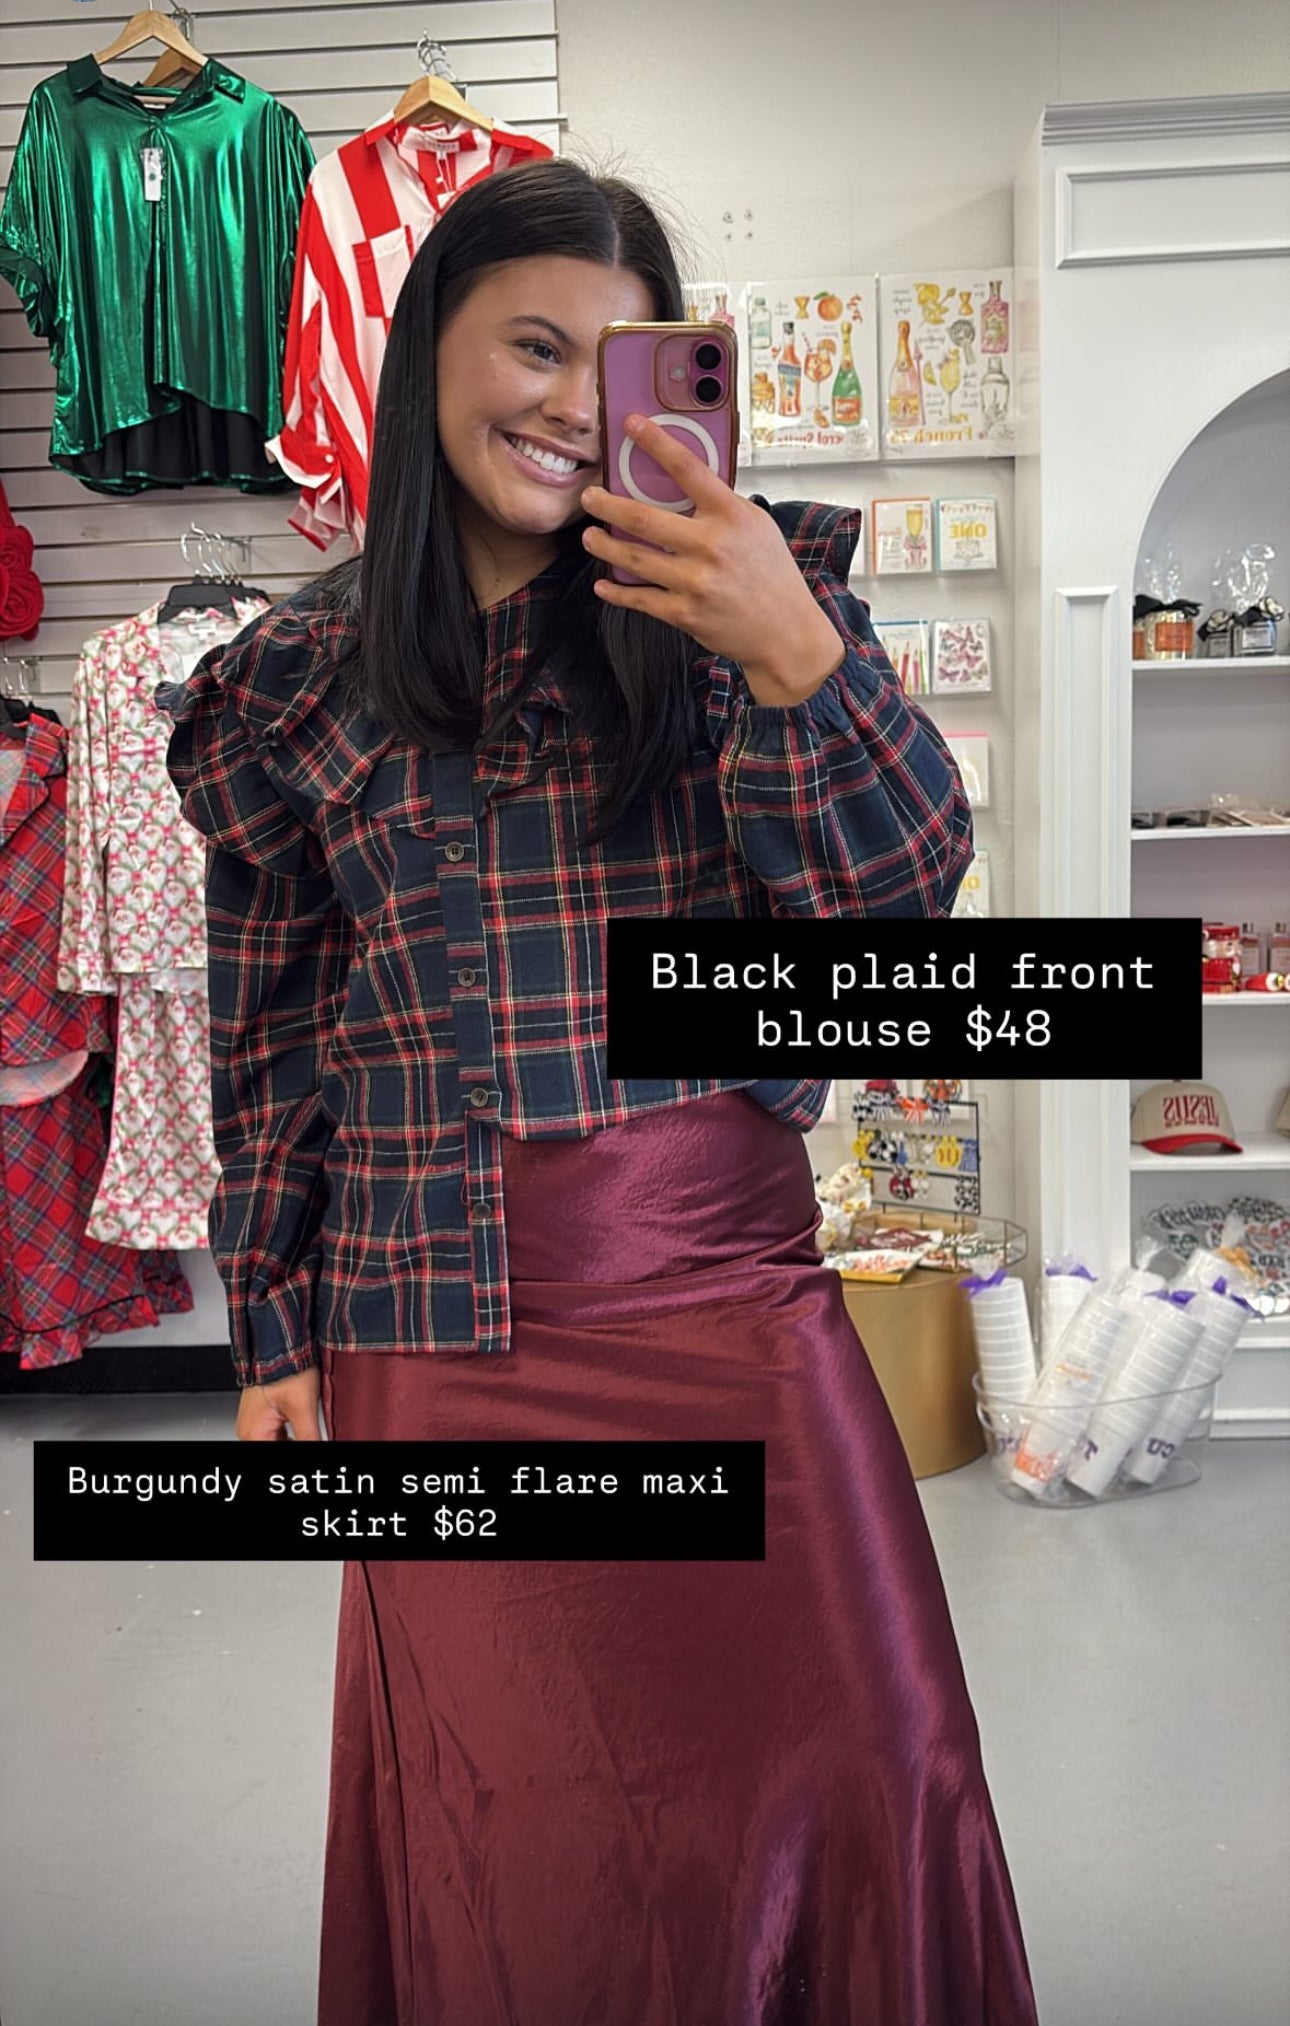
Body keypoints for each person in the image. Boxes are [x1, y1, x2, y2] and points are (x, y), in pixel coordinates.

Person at [166, 159, 1038, 2026]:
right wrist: (274, 1329)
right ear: (428, 356)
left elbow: (895, 915)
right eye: (531, 347)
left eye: (615, 360)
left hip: (727, 1307)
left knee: (871, 1759)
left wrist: (791, 656)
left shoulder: (751, 602)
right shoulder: (290, 682)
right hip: (432, 1330)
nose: (570, 403)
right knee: (514, 1828)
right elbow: (272, 1031)